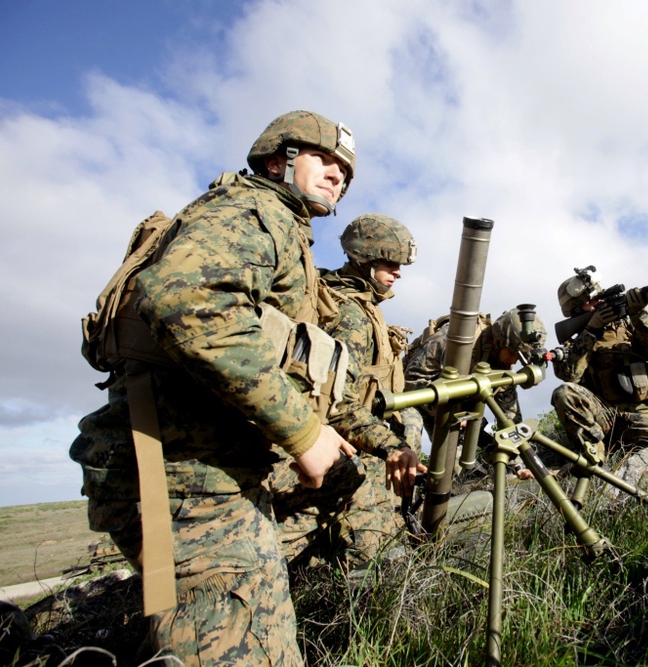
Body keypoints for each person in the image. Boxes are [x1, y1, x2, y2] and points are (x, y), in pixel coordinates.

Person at [69, 110, 358, 666]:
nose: (337, 173)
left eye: (344, 169)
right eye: (323, 158)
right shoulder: (254, 210)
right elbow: (187, 303)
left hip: (202, 473)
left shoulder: (281, 228)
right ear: (279, 160)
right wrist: (303, 432)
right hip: (187, 478)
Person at [270, 213, 425, 568]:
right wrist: (392, 448)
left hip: (312, 437)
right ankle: (368, 576)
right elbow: (339, 404)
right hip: (308, 446)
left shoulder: (356, 303)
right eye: (391, 262)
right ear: (366, 259)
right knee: (368, 475)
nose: (399, 272)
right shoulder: (351, 314)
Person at [550, 267, 648, 466]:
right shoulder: (575, 342)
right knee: (564, 393)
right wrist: (591, 330)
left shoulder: (631, 325)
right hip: (606, 418)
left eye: (600, 297)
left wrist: (638, 314)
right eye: (592, 301)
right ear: (577, 310)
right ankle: (595, 459)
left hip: (646, 414)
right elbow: (570, 375)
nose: (600, 302)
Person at [403, 307, 546, 479]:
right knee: (408, 442)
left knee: (452, 469)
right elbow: (411, 381)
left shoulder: (503, 363)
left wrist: (518, 465)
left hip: (457, 411)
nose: (514, 360)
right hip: (414, 398)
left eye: (521, 356)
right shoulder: (453, 338)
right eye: (514, 352)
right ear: (498, 341)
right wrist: (450, 413)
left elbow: (509, 417)